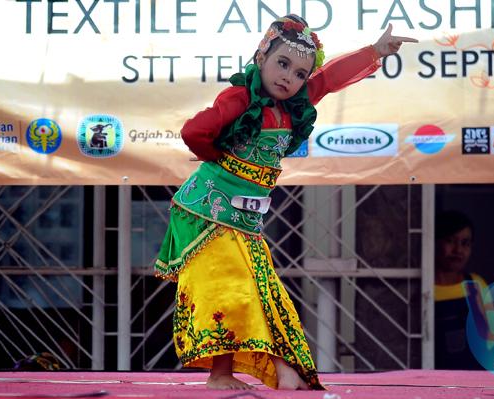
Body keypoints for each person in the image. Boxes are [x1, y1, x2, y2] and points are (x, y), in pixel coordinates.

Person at [154, 15, 417, 390]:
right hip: (205, 210)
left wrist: (375, 52)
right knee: (230, 288)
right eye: (282, 64)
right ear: (262, 55)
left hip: (243, 218)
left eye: (298, 73)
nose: (288, 78)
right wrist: (220, 160)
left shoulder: (296, 102)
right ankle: (221, 375)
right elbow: (194, 131)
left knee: (261, 290)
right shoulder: (240, 98)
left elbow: (328, 79)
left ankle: (279, 367)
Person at [434, 210, 489, 370]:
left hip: (472, 377)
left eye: (465, 243)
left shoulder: (476, 285)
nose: (458, 250)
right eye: (450, 241)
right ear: (435, 242)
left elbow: (489, 341)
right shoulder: (424, 289)